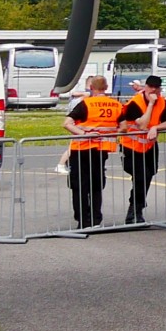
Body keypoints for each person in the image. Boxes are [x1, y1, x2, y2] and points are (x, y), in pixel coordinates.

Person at [64, 75, 125, 228]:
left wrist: (83, 133)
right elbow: (123, 128)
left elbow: (67, 123)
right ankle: (95, 218)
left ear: (91, 87)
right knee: (96, 185)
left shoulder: (86, 104)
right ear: (106, 88)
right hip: (101, 150)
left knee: (79, 186)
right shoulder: (116, 105)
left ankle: (83, 220)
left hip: (82, 148)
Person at [116, 74, 166, 226]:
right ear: (145, 87)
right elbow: (142, 124)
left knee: (148, 174)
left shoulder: (162, 101)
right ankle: (134, 211)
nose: (153, 90)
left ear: (159, 89)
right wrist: (151, 104)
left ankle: (138, 206)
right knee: (141, 176)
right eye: (150, 87)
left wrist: (156, 127)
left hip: (149, 146)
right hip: (131, 147)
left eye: (156, 88)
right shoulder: (135, 103)